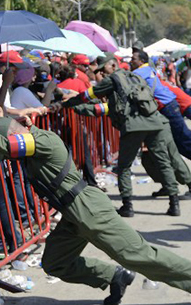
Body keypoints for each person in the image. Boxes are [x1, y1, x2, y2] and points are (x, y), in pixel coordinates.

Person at [0, 117, 191, 305]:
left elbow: (7, 146)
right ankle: (114, 277)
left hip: (88, 208)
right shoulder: (31, 144)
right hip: (74, 214)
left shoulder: (41, 140)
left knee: (138, 254)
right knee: (55, 263)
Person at [65, 53, 182, 217]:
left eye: (103, 69)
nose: (101, 74)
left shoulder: (112, 80)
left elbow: (87, 95)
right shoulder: (135, 77)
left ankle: (127, 206)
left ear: (113, 65)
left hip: (133, 125)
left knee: (124, 166)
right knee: (163, 162)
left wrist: (68, 103)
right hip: (154, 121)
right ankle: (174, 204)